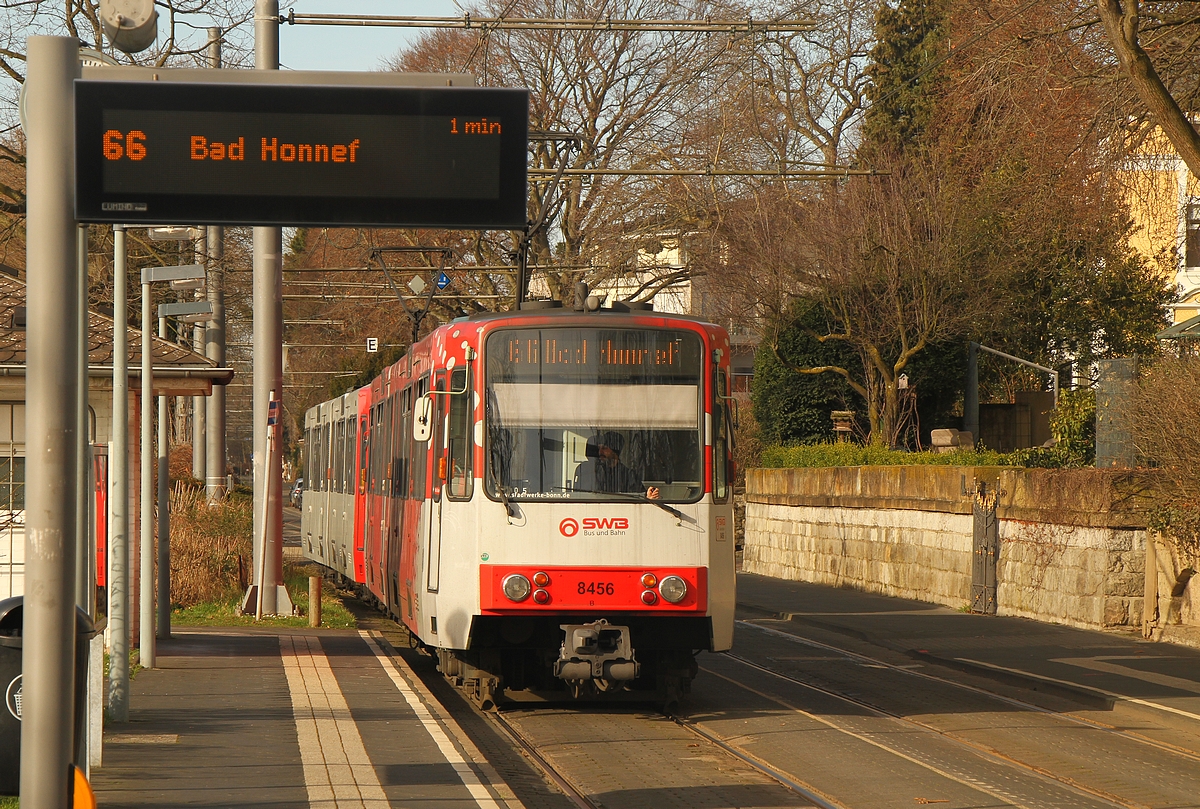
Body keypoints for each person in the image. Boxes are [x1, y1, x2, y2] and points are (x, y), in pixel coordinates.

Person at [573, 432, 660, 500]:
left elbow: (639, 497)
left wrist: (649, 497)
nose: (600, 452)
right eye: (599, 449)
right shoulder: (587, 470)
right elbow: (579, 497)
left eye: (604, 448)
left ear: (615, 451)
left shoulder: (628, 475)